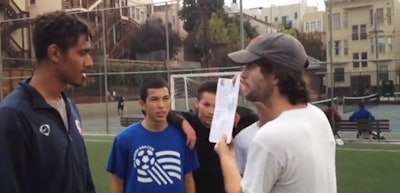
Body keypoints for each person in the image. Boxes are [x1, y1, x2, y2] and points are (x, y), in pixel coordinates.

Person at [214, 33, 337, 193]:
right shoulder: (316, 117)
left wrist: (226, 157)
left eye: (250, 66)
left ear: (274, 76)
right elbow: (277, 122)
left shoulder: (269, 138)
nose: (243, 74)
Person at [0, 11, 95, 193]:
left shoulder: (71, 109)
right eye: (83, 53)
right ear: (55, 53)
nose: (89, 62)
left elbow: (84, 179)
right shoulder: (12, 115)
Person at [107, 77, 199, 193]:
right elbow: (117, 182)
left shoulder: (184, 137)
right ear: (142, 104)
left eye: (165, 98)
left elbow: (188, 180)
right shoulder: (124, 139)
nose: (161, 105)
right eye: (154, 99)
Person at [169, 80, 258, 193]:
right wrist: (183, 123)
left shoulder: (232, 122)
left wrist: (237, 114)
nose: (211, 111)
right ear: (197, 103)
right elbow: (168, 113)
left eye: (217, 106)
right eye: (206, 105)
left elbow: (253, 116)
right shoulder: (190, 121)